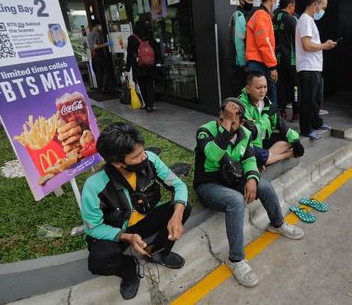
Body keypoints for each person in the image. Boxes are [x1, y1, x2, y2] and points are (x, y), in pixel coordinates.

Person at [194, 98, 304, 288]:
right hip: (209, 185)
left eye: (230, 121)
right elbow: (213, 154)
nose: (223, 123)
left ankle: (277, 224)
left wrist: (252, 179)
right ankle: (236, 260)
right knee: (236, 201)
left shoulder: (244, 133)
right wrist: (227, 124)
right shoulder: (205, 131)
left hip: (233, 179)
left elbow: (249, 160)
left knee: (265, 186)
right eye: (222, 119)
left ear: (242, 122)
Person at [81, 122, 191, 300]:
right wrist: (126, 236)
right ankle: (130, 272)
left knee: (182, 207)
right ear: (117, 163)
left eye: (143, 151)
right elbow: (93, 227)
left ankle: (160, 252)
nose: (144, 158)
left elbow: (178, 185)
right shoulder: (94, 186)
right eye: (136, 156)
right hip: (119, 230)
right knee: (98, 262)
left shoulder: (151, 160)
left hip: (147, 217)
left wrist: (176, 217)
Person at [239, 71, 304, 168]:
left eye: (265, 87)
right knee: (257, 154)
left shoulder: (265, 101)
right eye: (258, 88)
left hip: (264, 141)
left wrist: (296, 140)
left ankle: (267, 158)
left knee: (289, 139)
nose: (263, 91)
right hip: (249, 145)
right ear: (248, 89)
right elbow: (253, 132)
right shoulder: (240, 105)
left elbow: (281, 124)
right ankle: (284, 155)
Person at [295, 0, 337, 140]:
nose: (323, 11)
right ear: (315, 5)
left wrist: (323, 45)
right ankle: (306, 129)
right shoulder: (305, 20)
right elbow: (306, 45)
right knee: (308, 100)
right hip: (308, 67)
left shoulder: (309, 20)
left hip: (313, 67)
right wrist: (324, 45)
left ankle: (316, 122)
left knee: (315, 99)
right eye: (323, 7)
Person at [246, 0, 280, 105]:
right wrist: (272, 67)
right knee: (268, 97)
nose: (277, 0)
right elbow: (264, 43)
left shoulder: (261, 15)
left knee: (259, 99)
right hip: (260, 63)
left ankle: (266, 122)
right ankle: (272, 122)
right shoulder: (261, 15)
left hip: (258, 62)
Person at [273, 0, 300, 121]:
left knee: (281, 86)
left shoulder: (273, 18)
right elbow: (298, 41)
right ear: (291, 6)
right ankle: (296, 112)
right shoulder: (292, 19)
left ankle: (282, 112)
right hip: (291, 60)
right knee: (295, 86)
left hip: (277, 60)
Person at [125, 21, 161, 112]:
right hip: (150, 66)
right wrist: (154, 62)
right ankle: (150, 105)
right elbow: (158, 52)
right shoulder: (150, 37)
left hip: (138, 66)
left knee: (142, 86)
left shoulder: (131, 39)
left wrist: (127, 68)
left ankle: (145, 104)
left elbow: (129, 55)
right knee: (150, 85)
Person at [228, 0, 255, 96]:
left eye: (253, 0)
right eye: (249, 0)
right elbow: (239, 42)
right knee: (241, 92)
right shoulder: (239, 16)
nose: (251, 3)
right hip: (239, 63)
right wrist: (244, 64)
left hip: (237, 62)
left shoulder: (240, 15)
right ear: (241, 1)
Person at [88, 21, 115, 93]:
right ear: (96, 26)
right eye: (100, 25)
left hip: (95, 55)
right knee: (106, 70)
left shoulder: (92, 34)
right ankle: (104, 87)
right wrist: (106, 44)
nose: (101, 27)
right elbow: (94, 46)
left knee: (100, 71)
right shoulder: (94, 34)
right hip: (98, 54)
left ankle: (101, 87)